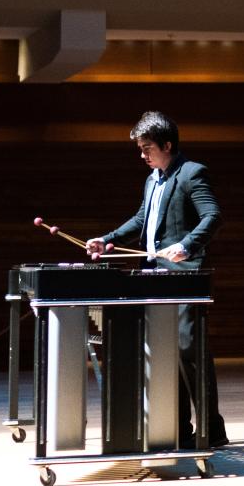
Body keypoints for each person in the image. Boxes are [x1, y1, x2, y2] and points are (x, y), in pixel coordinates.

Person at [86, 111, 228, 448]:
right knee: (165, 353)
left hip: (183, 278)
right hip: (155, 277)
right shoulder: (153, 179)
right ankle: (177, 428)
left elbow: (213, 216)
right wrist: (108, 240)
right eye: (140, 148)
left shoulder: (192, 174)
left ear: (167, 144)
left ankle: (212, 428)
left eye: (147, 147)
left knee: (188, 351)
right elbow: (142, 219)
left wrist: (186, 245)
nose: (142, 154)